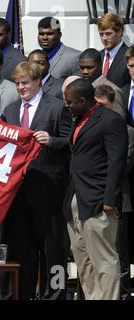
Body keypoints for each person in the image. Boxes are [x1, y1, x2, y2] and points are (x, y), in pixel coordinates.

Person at [0, 61, 71, 300]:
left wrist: (53, 140)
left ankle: (56, 295)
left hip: (48, 191)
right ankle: (22, 294)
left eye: (25, 83)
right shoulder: (9, 110)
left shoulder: (57, 107)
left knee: (53, 251)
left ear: (38, 81)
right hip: (17, 193)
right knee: (21, 250)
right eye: (17, 83)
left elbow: (72, 142)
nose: (21, 87)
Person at [63, 79, 127, 300]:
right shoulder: (77, 119)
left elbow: (116, 162)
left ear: (82, 100)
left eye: (69, 102)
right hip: (75, 198)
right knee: (83, 259)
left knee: (104, 259)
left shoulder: (111, 121)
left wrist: (110, 199)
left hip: (99, 201)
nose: (66, 105)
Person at [94, 84, 134, 300]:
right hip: (92, 200)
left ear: (114, 104)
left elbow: (120, 166)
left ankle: (124, 295)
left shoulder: (129, 132)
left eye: (104, 107)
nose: (100, 112)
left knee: (119, 254)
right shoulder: (89, 129)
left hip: (119, 200)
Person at [78, 48, 127, 120]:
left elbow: (119, 121)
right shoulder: (80, 89)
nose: (85, 71)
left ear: (100, 66)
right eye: (82, 68)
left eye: (90, 68)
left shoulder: (114, 90)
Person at [37, 17, 81, 81]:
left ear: (59, 35)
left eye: (50, 34)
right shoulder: (34, 58)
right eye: (41, 34)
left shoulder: (75, 57)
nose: (45, 37)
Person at [98, 13, 130, 89]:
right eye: (101, 34)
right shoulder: (98, 56)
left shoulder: (129, 57)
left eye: (108, 34)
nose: (104, 38)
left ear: (119, 32)